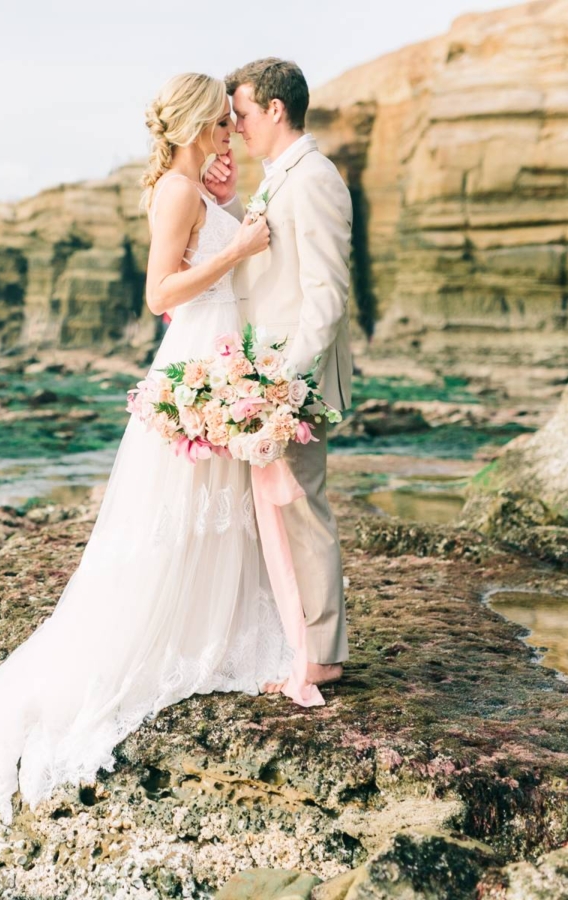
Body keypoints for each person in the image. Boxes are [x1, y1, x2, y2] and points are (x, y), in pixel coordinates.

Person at [0, 73, 291, 826]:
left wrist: (225, 204)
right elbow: (161, 294)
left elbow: (197, 258)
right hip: (195, 353)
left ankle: (210, 630)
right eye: (221, 123)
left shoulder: (192, 188)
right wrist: (243, 241)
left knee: (212, 509)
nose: (230, 132)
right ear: (194, 124)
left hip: (215, 352)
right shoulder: (177, 193)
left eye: (233, 121)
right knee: (183, 510)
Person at [204, 58, 353, 685]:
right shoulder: (281, 177)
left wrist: (286, 385)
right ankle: (304, 645)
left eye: (240, 112)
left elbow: (326, 294)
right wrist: (229, 203)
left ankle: (321, 656)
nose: (235, 126)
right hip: (268, 382)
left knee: (300, 507)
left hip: (295, 382)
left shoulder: (313, 177)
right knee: (277, 509)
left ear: (274, 109)